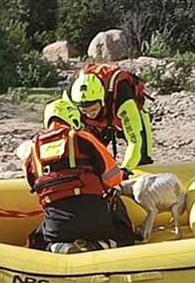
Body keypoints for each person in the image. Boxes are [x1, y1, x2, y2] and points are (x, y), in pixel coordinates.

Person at [25, 98, 136, 253]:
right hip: (96, 220)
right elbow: (113, 177)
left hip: (57, 226)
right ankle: (104, 244)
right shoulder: (82, 137)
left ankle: (56, 247)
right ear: (73, 117)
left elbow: (33, 184)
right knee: (125, 231)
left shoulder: (33, 150)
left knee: (37, 240)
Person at [67, 63, 155, 172]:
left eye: (93, 109)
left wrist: (126, 170)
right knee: (89, 155)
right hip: (99, 121)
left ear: (102, 100)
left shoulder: (123, 99)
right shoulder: (70, 98)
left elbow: (135, 141)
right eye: (84, 111)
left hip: (132, 112)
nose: (89, 114)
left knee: (142, 158)